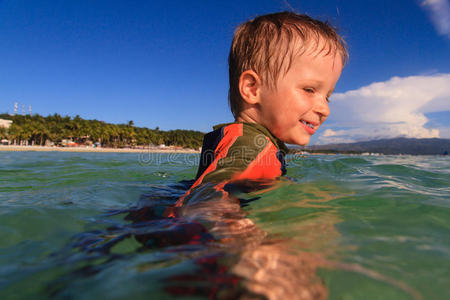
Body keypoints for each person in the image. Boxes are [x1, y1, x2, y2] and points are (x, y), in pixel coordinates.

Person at [175, 11, 348, 207]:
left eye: (328, 97)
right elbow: (205, 200)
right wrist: (243, 234)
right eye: (309, 90)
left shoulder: (245, 140)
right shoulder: (253, 147)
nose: (325, 109)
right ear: (252, 88)